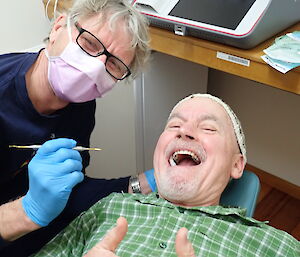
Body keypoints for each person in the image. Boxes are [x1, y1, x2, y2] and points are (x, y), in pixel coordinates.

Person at [31, 94, 299, 257]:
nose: (185, 132)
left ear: (237, 165)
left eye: (208, 128)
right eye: (174, 125)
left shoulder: (273, 245)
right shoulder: (108, 207)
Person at [0, 0, 155, 252]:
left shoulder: (81, 103)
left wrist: (142, 184)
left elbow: (69, 192)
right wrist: (27, 211)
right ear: (59, 27)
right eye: (90, 43)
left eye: (113, 64)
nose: (94, 69)